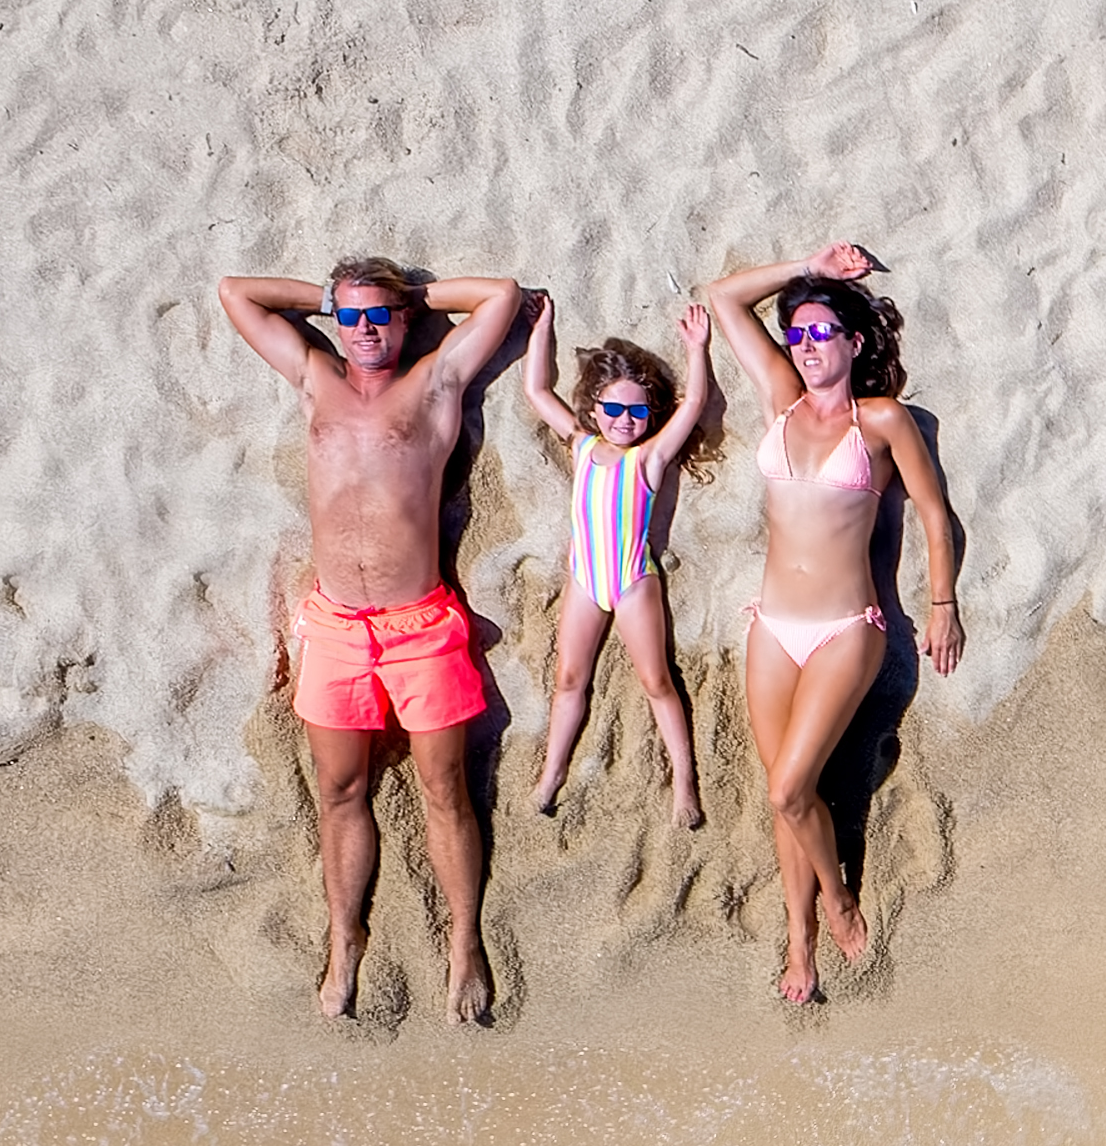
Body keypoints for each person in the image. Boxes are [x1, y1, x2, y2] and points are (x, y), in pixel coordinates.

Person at [208, 250, 535, 1025]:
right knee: (340, 792)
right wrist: (332, 298)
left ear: (403, 321)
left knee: (443, 792)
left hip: (420, 624)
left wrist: (410, 296)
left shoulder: (434, 383)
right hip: (334, 625)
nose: (361, 330)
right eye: (348, 318)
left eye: (375, 317)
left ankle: (464, 944)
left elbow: (500, 295)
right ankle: (345, 940)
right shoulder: (316, 377)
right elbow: (236, 294)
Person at [689, 238, 965, 1006]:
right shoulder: (781, 400)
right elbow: (723, 296)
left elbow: (936, 516)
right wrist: (808, 266)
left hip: (850, 625)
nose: (807, 346)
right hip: (772, 625)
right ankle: (800, 945)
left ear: (853, 341)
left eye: (821, 332)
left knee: (788, 791)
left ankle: (841, 899)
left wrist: (942, 605)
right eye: (798, 333)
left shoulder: (880, 420)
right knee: (787, 790)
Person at [517, 299, 710, 828]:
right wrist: (543, 327)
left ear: (650, 414)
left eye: (638, 411)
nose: (625, 420)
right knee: (569, 679)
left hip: (631, 580)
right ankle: (551, 774)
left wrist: (697, 348)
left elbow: (694, 401)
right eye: (614, 409)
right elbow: (537, 391)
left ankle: (684, 783)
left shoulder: (646, 458)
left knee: (656, 681)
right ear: (594, 408)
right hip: (584, 579)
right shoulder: (582, 445)